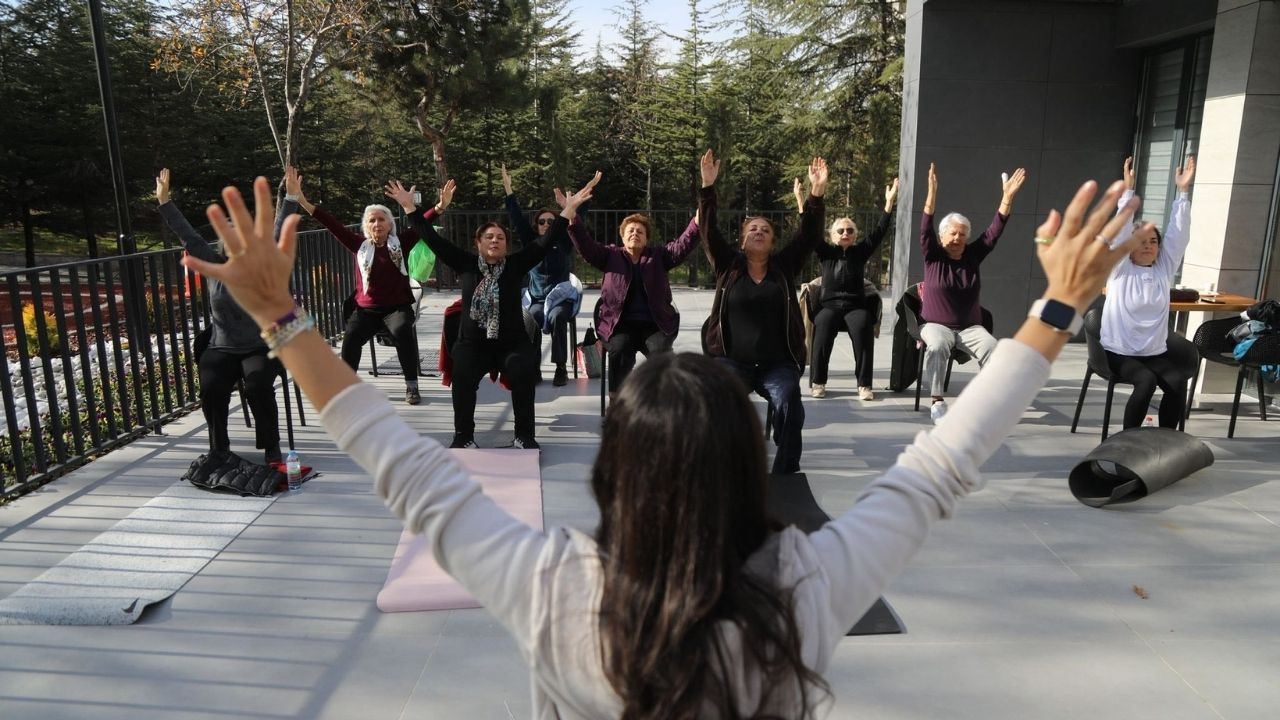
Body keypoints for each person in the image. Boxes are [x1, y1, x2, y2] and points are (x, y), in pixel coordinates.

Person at [184, 172, 1147, 720]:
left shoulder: (550, 589)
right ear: (747, 470)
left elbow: (400, 462)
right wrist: (1059, 305)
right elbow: (941, 464)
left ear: (614, 474)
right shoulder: (807, 590)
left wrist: (278, 315)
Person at [395, 179, 592, 450]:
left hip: (512, 344)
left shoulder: (516, 264)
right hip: (472, 345)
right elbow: (431, 238)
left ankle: (524, 435)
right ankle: (463, 436)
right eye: (489, 237)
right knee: (463, 376)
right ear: (478, 243)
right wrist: (410, 208)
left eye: (500, 238)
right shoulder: (465, 263)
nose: (495, 241)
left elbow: (547, 240)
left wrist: (569, 210)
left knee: (524, 372)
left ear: (506, 245)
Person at [700, 150, 826, 475]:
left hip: (777, 364)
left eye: (766, 230)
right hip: (732, 361)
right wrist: (707, 187)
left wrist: (815, 193)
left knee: (790, 400)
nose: (759, 232)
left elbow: (809, 236)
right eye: (753, 229)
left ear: (772, 242)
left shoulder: (784, 267)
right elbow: (708, 232)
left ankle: (786, 469)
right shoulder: (728, 266)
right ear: (742, 241)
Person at [155, 167, 292, 464]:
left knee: (257, 385)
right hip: (221, 346)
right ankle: (219, 448)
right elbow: (188, 237)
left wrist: (291, 198)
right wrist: (165, 202)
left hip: (260, 346)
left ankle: (270, 445)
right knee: (212, 387)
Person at [287, 169, 444, 405]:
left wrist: (440, 206)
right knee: (351, 337)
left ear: (390, 224)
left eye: (381, 219)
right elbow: (331, 223)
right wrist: (302, 200)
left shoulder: (401, 242)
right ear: (366, 226)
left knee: (403, 331)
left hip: (397, 308)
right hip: (366, 310)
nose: (377, 223)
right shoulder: (358, 245)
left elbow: (423, 223)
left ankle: (412, 385)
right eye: (372, 220)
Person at [566, 172, 700, 395]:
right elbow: (585, 244)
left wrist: (698, 219)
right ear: (622, 237)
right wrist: (572, 216)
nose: (635, 234)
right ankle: (617, 400)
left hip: (655, 324)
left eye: (640, 231)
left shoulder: (659, 256)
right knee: (619, 350)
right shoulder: (610, 256)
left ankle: (661, 400)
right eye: (631, 231)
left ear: (646, 238)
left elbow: (684, 243)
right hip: (618, 324)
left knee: (661, 354)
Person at [918, 162, 1027, 423]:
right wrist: (932, 193)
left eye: (962, 234)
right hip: (935, 325)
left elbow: (994, 231)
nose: (957, 238)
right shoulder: (933, 255)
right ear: (942, 236)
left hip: (969, 328)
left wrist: (1007, 198)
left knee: (993, 348)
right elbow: (925, 226)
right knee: (937, 346)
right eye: (953, 233)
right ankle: (937, 402)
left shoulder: (972, 256)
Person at [1100, 155, 1199, 429]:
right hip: (1118, 352)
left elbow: (1179, 236)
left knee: (1177, 383)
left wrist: (1183, 192)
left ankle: (1165, 441)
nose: (1148, 246)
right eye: (1141, 241)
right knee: (1146, 382)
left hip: (1152, 352)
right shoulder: (1120, 268)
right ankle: (1129, 441)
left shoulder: (1163, 268)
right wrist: (1128, 192)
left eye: (1153, 241)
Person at [808, 178, 899, 400]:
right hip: (829, 306)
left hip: (855, 307)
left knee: (863, 328)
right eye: (840, 230)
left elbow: (879, 232)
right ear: (833, 235)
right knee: (822, 327)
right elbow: (809, 231)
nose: (845, 233)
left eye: (849, 230)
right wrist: (805, 205)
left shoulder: (860, 252)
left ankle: (864, 385)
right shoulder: (826, 252)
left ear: (855, 235)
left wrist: (889, 204)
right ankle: (818, 382)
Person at [502, 165, 581, 387]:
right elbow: (516, 217)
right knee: (531, 318)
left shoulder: (564, 241)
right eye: (542, 222)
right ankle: (533, 366)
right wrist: (508, 190)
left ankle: (560, 367)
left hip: (560, 298)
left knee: (557, 317)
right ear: (536, 226)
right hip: (537, 298)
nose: (546, 224)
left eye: (551, 221)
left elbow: (579, 219)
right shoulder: (531, 242)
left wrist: (574, 205)